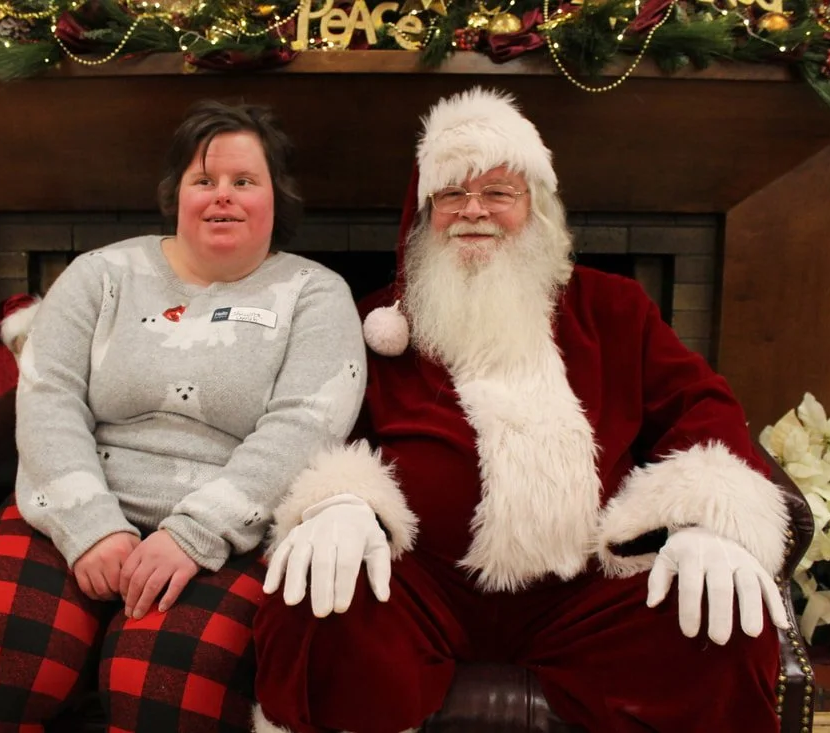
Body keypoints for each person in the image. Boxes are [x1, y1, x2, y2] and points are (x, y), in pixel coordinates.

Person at [252, 87, 792, 733]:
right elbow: (325, 428)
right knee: (315, 603)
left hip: (587, 587)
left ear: (534, 207)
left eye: (498, 193)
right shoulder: (379, 323)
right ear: (425, 213)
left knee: (720, 625)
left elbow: (701, 403)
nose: (473, 210)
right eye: (451, 194)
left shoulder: (613, 307)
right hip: (423, 585)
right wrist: (341, 503)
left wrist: (708, 522)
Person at [0, 100, 366, 733]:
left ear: (276, 197)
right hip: (76, 505)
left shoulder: (316, 295)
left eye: (244, 181)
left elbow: (305, 427)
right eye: (203, 181)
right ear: (176, 193)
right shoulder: (102, 276)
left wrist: (191, 536)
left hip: (223, 532)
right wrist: (91, 526)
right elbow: (48, 395)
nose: (221, 198)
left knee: (169, 676)